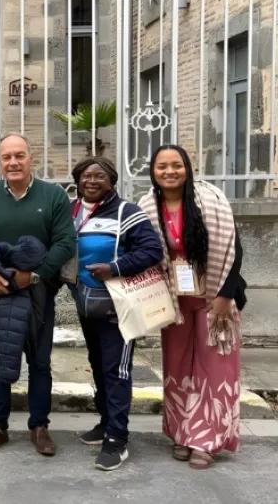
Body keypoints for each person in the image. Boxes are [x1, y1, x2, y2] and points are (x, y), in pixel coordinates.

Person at [0, 133, 76, 455]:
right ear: (0, 161)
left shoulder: (53, 196)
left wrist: (36, 275)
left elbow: (66, 242)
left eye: (19, 155)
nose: (13, 162)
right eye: (7, 157)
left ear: (31, 157)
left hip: (38, 293)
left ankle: (39, 426)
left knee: (39, 362)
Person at [139, 144, 246, 470]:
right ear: (153, 171)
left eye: (176, 165)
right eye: (162, 167)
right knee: (178, 369)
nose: (169, 172)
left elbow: (234, 249)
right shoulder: (146, 206)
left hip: (215, 300)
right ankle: (183, 434)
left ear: (187, 167)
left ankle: (208, 441)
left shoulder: (211, 200)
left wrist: (225, 297)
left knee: (215, 371)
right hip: (175, 302)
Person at [67, 157, 163, 471]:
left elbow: (151, 251)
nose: (91, 181)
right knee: (97, 364)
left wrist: (114, 268)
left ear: (112, 182)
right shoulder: (72, 211)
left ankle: (117, 440)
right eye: (85, 176)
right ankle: (105, 422)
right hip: (86, 303)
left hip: (117, 308)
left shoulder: (127, 212)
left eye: (99, 176)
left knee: (117, 370)